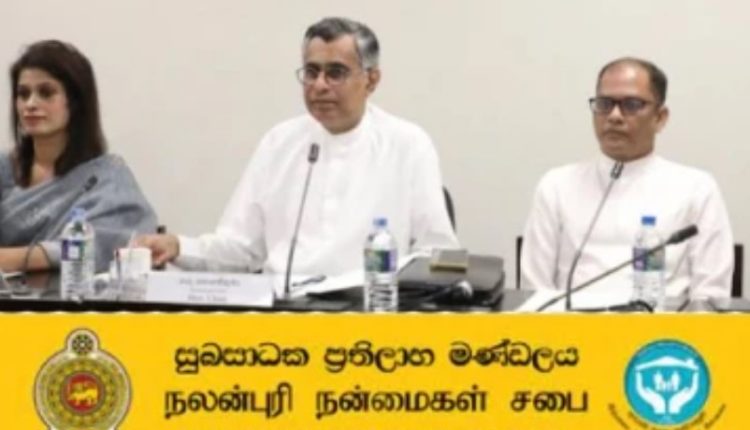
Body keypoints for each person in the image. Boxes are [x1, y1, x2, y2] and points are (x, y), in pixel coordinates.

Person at [137, 17, 458, 277]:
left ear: (371, 80)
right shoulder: (279, 143)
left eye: (336, 73)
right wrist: (178, 246)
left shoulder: (408, 145)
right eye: (311, 72)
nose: (319, 85)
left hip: (368, 312)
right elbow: (242, 249)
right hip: (283, 311)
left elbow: (436, 253)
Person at [521, 57, 733, 301]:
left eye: (631, 105)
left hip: (662, 324)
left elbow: (711, 296)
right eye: (604, 104)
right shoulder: (557, 185)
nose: (614, 116)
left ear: (660, 117)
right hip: (571, 323)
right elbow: (534, 289)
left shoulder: (697, 188)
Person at [0, 40, 157, 273]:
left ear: (75, 102)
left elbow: (121, 243)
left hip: (75, 293)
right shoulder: (4, 169)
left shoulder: (106, 176)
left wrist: (19, 258)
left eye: (46, 93)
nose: (30, 104)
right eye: (23, 94)